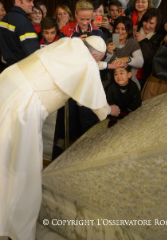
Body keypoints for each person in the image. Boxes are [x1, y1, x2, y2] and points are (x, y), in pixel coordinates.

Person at [0, 36, 119, 240]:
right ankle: (14, 227)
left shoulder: (69, 43)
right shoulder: (87, 63)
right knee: (21, 167)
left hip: (8, 82)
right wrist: (109, 110)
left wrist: (103, 63)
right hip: (24, 106)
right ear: (92, 55)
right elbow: (97, 101)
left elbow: (90, 61)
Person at [0, 0, 40, 67]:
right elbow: (34, 55)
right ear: (17, 1)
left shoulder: (4, 19)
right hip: (22, 71)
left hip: (6, 69)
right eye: (29, 1)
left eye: (32, 1)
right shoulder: (24, 23)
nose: (32, 4)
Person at [104, 16, 144, 89]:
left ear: (128, 30)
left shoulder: (132, 43)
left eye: (123, 29)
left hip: (128, 83)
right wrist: (109, 53)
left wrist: (126, 59)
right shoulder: (109, 41)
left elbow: (140, 62)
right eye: (117, 28)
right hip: (110, 83)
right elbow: (104, 64)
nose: (119, 32)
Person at [134, 8, 164, 87]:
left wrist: (144, 41)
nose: (147, 25)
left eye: (151, 23)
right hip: (132, 73)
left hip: (146, 77)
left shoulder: (160, 38)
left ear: (158, 24)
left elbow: (151, 59)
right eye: (145, 21)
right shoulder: (137, 31)